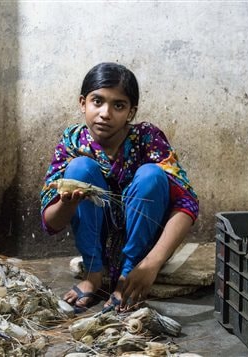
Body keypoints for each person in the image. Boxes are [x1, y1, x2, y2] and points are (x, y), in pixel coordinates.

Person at [40, 62, 199, 313]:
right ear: (83, 103)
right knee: (80, 169)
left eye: (119, 105)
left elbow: (187, 204)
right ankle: (94, 274)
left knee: (152, 175)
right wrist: (67, 204)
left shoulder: (148, 138)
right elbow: (51, 223)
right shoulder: (72, 141)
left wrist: (152, 263)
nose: (105, 113)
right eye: (97, 101)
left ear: (131, 112)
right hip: (97, 248)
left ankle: (128, 277)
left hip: (145, 249)